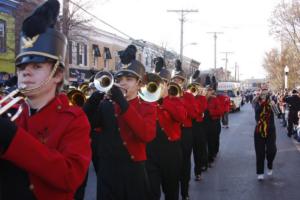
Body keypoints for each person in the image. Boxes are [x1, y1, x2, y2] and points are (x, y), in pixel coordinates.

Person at [0, 0, 91, 199]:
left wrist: (11, 137)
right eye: (22, 67)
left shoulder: (74, 119)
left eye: (37, 66)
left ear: (57, 75)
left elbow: (70, 176)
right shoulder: (12, 112)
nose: (26, 73)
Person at [84, 44, 156, 200]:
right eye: (118, 79)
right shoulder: (106, 105)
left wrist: (122, 103)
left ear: (139, 83)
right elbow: (87, 124)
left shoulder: (147, 106)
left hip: (133, 172)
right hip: (108, 173)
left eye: (129, 79)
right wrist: (93, 101)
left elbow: (147, 134)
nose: (122, 83)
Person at [146, 57, 186, 200]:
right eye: (155, 82)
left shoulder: (175, 100)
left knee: (171, 191)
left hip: (170, 151)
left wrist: (165, 100)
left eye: (160, 82)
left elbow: (181, 117)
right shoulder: (146, 99)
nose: (157, 85)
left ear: (167, 84)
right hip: (150, 151)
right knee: (151, 192)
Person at [171, 60, 197, 200]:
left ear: (183, 82)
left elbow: (193, 114)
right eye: (174, 79)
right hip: (171, 134)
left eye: (179, 80)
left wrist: (181, 101)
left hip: (186, 132)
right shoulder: (166, 95)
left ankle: (184, 191)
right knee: (172, 164)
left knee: (185, 162)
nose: (177, 82)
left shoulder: (188, 96)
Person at [254, 88, 277, 180]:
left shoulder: (271, 102)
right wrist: (262, 102)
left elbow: (277, 113)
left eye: (265, 93)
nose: (263, 94)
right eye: (262, 92)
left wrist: (274, 105)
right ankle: (260, 172)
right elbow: (257, 111)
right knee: (260, 153)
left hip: (270, 129)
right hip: (259, 130)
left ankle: (270, 164)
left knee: (272, 150)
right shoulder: (256, 102)